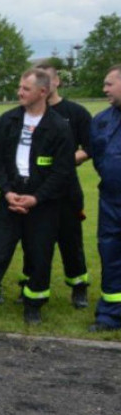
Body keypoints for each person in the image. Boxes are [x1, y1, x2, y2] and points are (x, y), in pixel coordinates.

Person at [0, 69, 75, 327]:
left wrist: (36, 198)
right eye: (20, 87)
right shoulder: (8, 121)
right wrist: (8, 192)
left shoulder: (58, 127)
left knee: (39, 255)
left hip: (42, 205)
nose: (19, 92)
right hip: (10, 199)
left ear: (42, 92)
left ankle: (33, 304)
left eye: (25, 89)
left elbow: (62, 171)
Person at [36, 61, 93, 308]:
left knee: (71, 240)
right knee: (36, 241)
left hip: (67, 188)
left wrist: (67, 161)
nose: (44, 86)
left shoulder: (76, 113)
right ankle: (33, 285)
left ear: (57, 81)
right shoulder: (29, 113)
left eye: (47, 80)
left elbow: (91, 147)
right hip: (36, 190)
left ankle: (78, 286)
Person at [89, 65, 121, 331]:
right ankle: (110, 315)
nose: (104, 89)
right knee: (109, 254)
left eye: (109, 84)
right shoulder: (101, 119)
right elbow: (96, 155)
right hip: (110, 200)